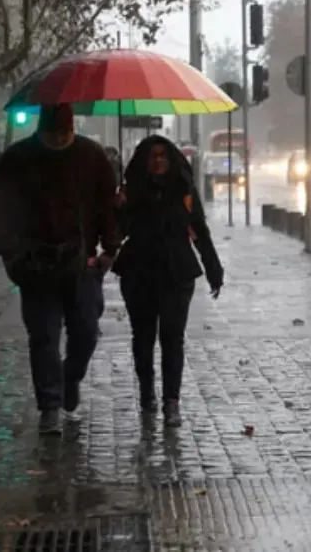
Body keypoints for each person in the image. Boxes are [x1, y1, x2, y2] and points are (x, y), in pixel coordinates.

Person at [0, 104, 119, 435]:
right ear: (41, 131)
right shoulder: (17, 159)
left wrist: (109, 249)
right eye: (54, 134)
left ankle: (69, 377)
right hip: (36, 262)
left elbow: (107, 204)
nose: (60, 139)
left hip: (83, 261)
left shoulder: (92, 155)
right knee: (44, 336)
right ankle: (49, 405)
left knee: (85, 331)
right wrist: (10, 254)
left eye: (66, 133)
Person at [113, 135, 223, 427]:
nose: (158, 160)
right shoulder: (131, 190)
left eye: (163, 154)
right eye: (152, 155)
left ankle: (171, 401)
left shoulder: (183, 190)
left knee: (172, 337)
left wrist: (213, 268)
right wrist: (119, 207)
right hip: (139, 270)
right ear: (144, 160)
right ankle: (147, 392)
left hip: (177, 271)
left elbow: (198, 228)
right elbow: (117, 232)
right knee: (144, 336)